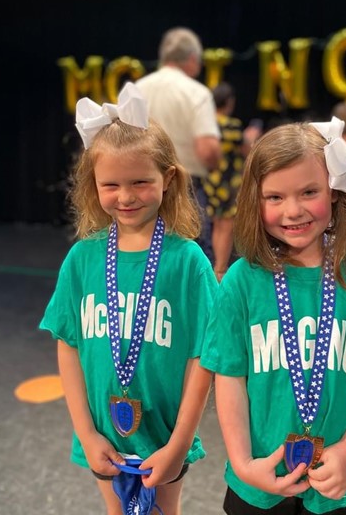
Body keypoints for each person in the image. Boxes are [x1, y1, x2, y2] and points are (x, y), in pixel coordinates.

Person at [200, 116, 346, 514]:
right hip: (259, 486)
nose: (294, 210)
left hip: (339, 486)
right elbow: (228, 376)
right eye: (275, 197)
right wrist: (243, 463)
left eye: (308, 191)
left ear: (334, 191)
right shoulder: (241, 281)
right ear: (256, 200)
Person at [40, 83, 217, 515]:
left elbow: (205, 356)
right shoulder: (82, 259)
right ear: (93, 184)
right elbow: (69, 345)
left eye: (140, 181)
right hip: (101, 434)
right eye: (111, 184)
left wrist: (178, 443)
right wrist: (86, 432)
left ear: (168, 179)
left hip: (165, 435)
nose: (126, 196)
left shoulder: (188, 260)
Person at [136, 27, 221, 262]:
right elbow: (207, 150)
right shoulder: (196, 93)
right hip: (187, 188)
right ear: (192, 59)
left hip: (140, 187)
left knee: (146, 258)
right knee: (191, 259)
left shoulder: (136, 90)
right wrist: (215, 163)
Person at [203, 82, 262, 280]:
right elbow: (249, 151)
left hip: (211, 181)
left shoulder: (206, 126)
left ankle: (217, 266)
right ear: (229, 102)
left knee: (217, 223)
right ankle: (220, 269)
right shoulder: (231, 125)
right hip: (229, 183)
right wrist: (251, 137)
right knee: (227, 226)